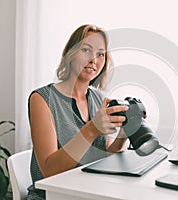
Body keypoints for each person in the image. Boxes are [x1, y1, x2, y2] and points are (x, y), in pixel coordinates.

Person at [27, 24, 129, 200]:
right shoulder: (42, 98)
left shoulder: (99, 98)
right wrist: (91, 129)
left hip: (89, 191)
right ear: (70, 54)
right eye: (86, 50)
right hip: (52, 195)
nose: (93, 60)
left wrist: (125, 133)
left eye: (100, 54)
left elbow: (105, 154)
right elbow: (48, 170)